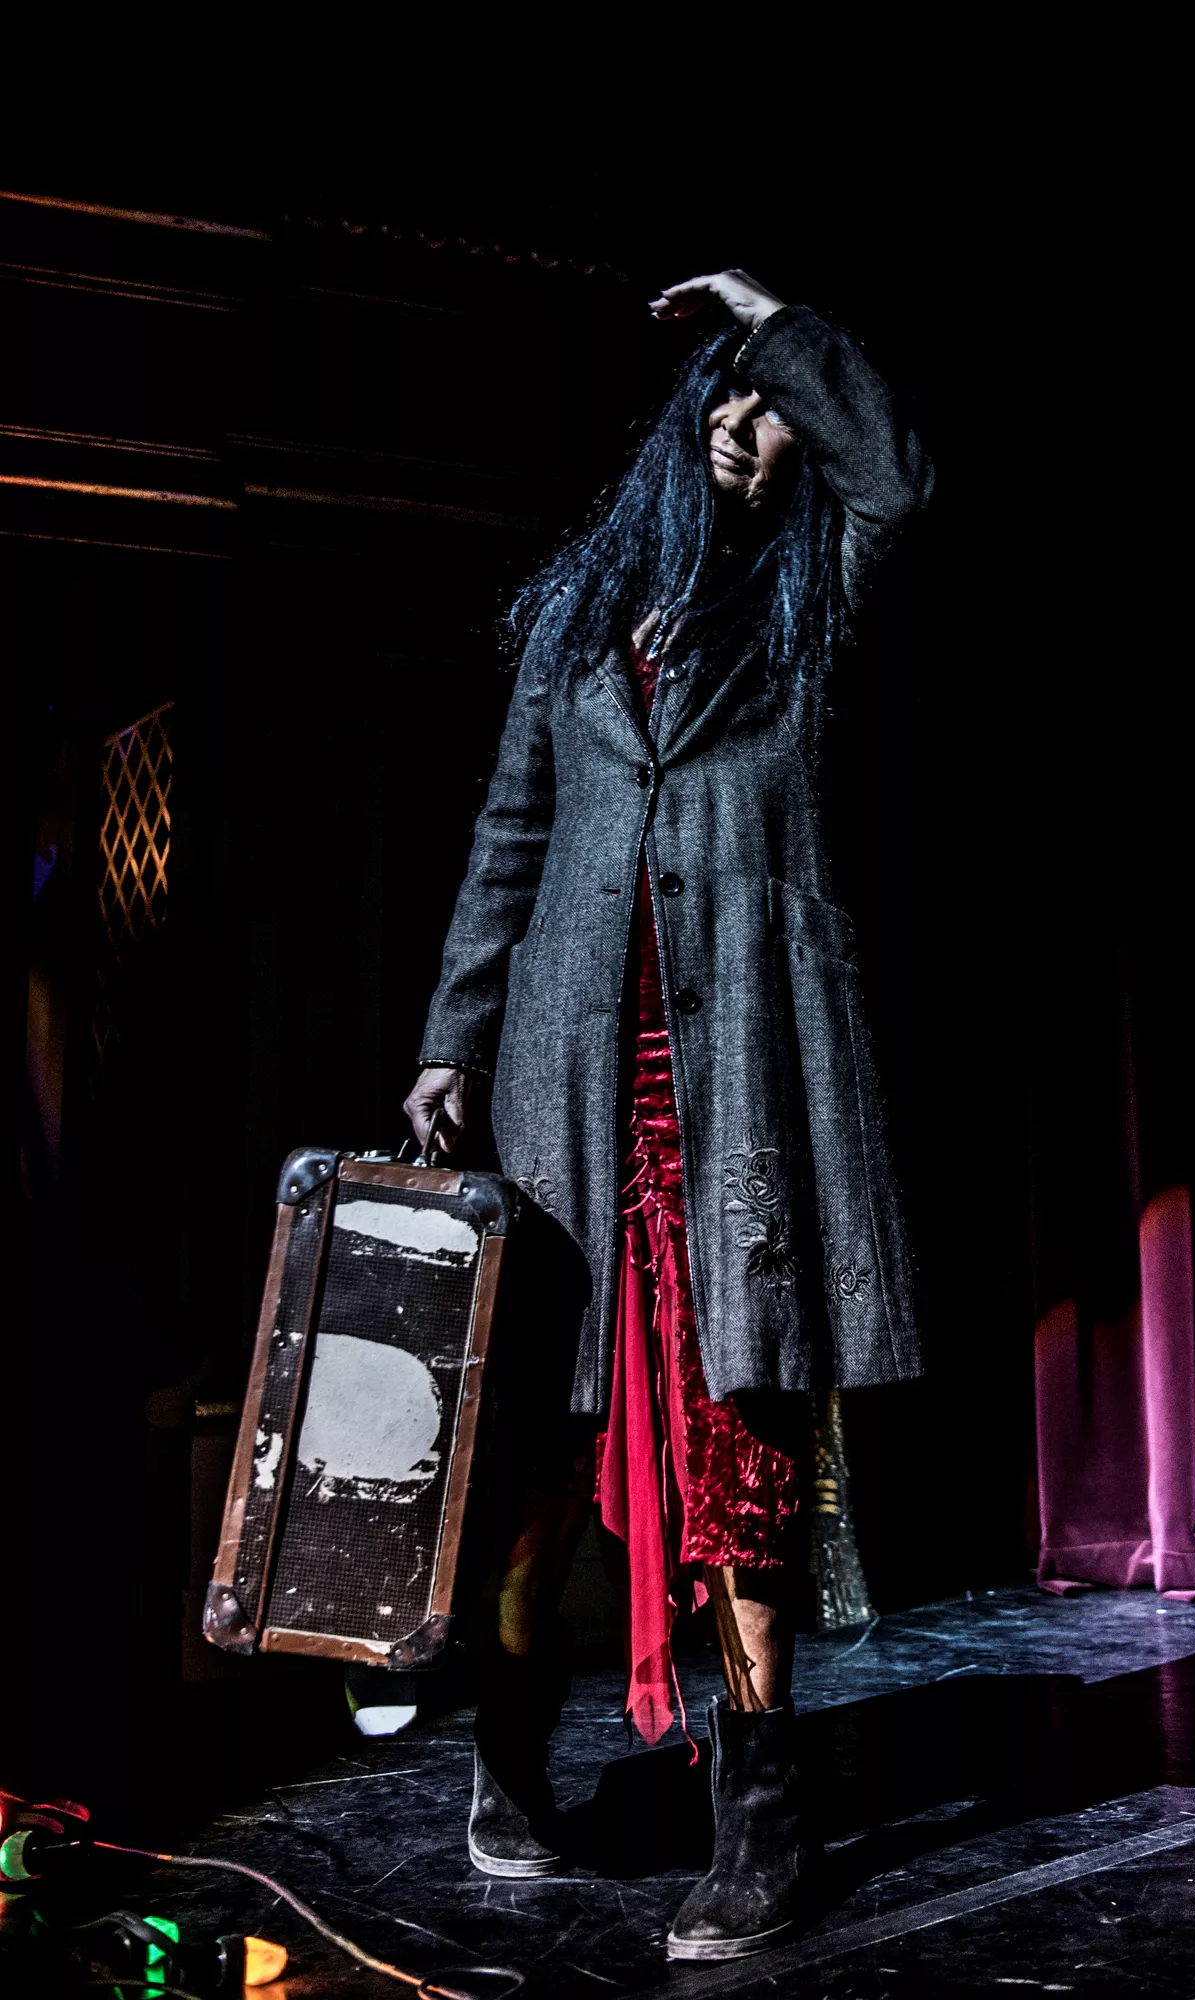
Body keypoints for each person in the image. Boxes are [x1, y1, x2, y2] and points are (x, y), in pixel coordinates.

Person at [405, 268, 933, 1962]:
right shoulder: (579, 621)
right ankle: (507, 1765)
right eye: (721, 396)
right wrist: (450, 1040)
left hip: (738, 1101)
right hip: (570, 1100)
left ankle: (762, 1819)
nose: (742, 423)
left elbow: (899, 477)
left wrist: (774, 319)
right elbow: (508, 836)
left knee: (737, 1449)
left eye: (768, 405)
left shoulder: (809, 603)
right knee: (543, 1462)